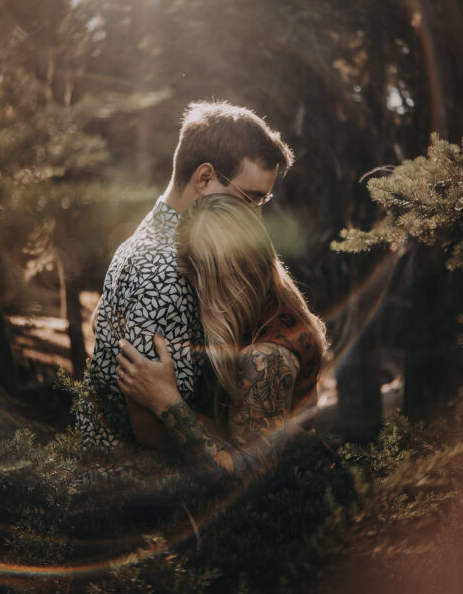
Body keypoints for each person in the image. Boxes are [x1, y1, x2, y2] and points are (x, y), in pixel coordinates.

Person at [75, 101, 294, 450]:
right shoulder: (170, 271)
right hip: (139, 492)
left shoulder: (155, 237)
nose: (255, 217)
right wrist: (252, 438)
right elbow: (149, 428)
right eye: (249, 199)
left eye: (261, 202)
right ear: (204, 178)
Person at [115, 193, 328, 487]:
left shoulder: (266, 357)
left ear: (219, 279)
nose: (194, 293)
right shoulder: (272, 304)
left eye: (196, 280)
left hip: (289, 516)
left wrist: (166, 402)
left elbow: (246, 477)